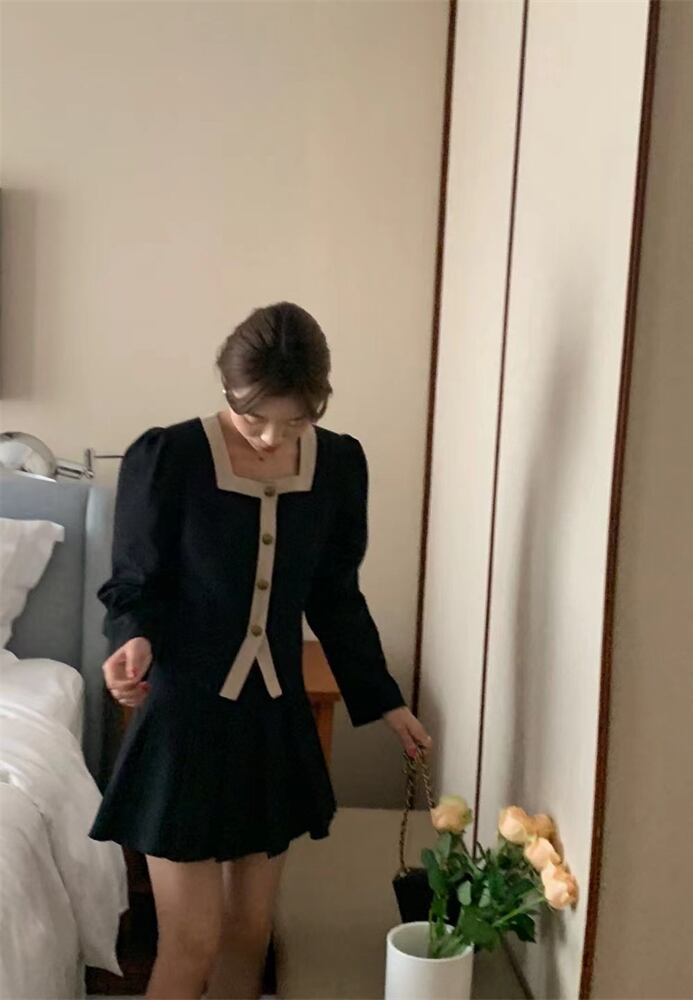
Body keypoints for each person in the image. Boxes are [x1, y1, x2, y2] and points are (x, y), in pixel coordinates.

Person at [89, 302, 432, 1000]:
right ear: (227, 390)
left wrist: (385, 701)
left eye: (296, 421)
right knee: (193, 940)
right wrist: (133, 641)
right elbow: (136, 585)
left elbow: (335, 596)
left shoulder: (339, 464)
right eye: (255, 419)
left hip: (272, 721)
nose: (275, 438)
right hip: (184, 721)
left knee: (249, 935)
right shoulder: (170, 457)